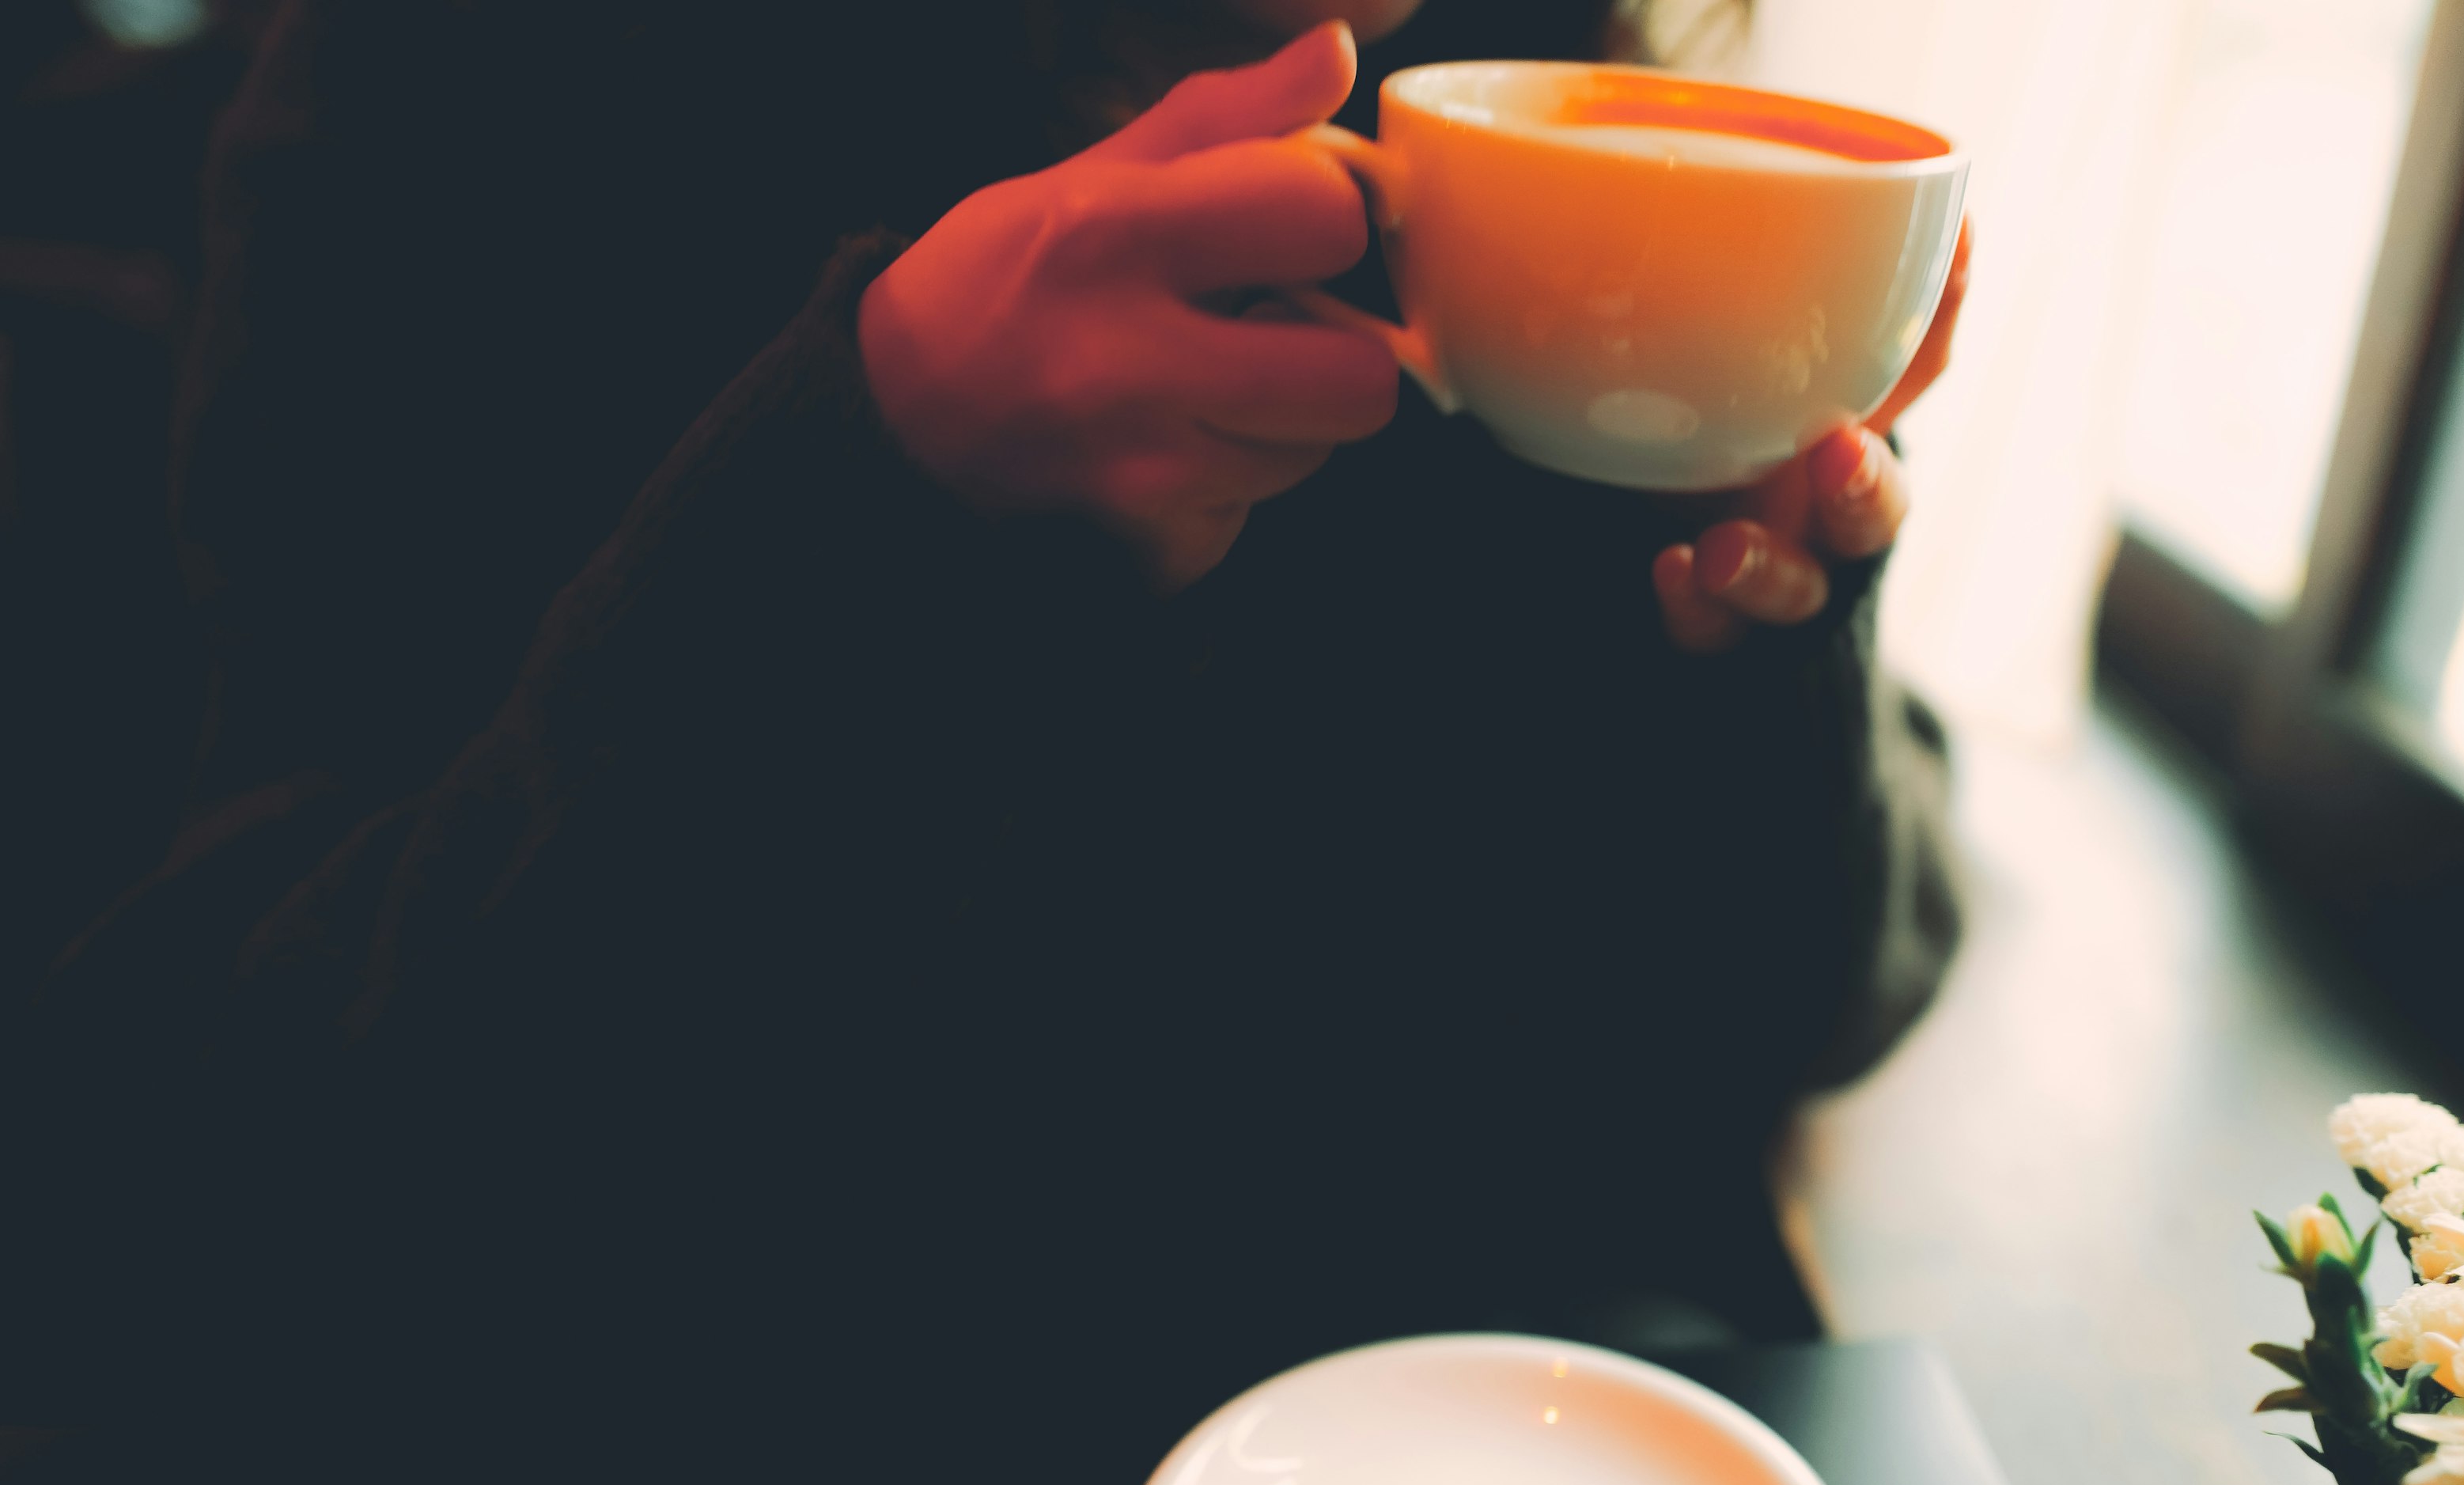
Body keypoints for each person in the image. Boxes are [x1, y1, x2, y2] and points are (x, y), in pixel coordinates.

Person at [23, 0, 1965, 1412]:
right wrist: (875, 498)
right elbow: (228, 1152)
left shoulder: (1543, 131)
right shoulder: (476, 90)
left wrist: (1772, 648)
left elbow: (1830, 999)